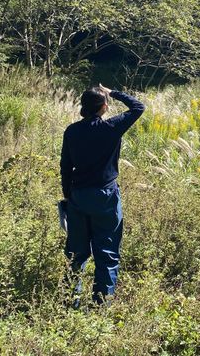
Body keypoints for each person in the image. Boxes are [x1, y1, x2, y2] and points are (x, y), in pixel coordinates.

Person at [60, 83, 145, 306]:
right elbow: (138, 107)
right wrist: (112, 92)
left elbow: (65, 167)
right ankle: (100, 307)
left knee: (76, 253)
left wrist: (68, 197)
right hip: (105, 196)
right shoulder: (111, 128)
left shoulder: (72, 131)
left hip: (78, 196)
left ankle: (70, 303)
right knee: (106, 253)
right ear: (104, 106)